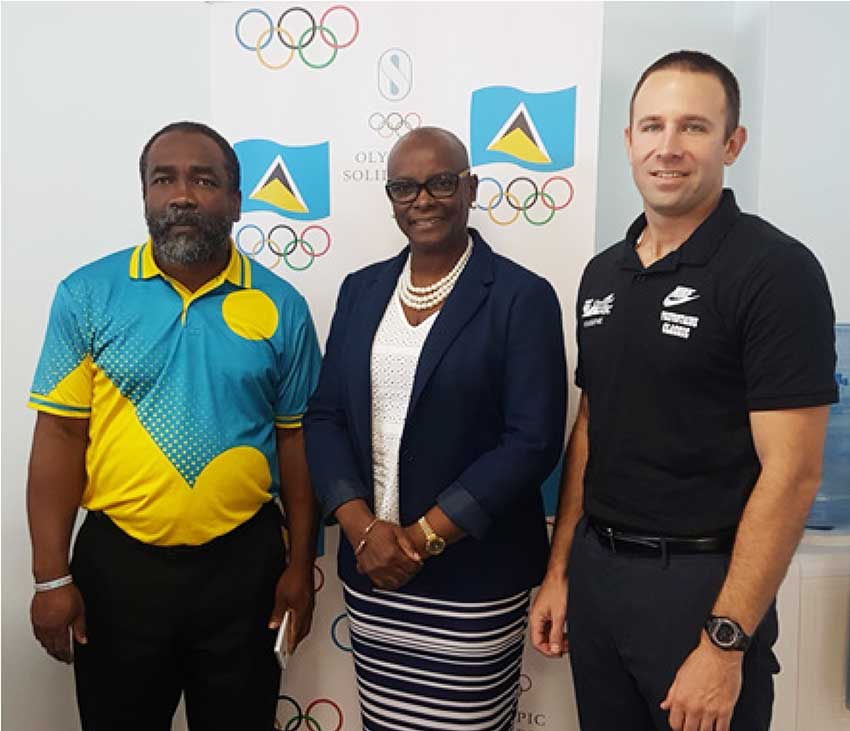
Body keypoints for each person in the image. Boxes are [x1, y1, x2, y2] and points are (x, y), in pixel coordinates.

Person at [530, 50, 837, 731]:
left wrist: (724, 642)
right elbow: (593, 425)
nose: (667, 147)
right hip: (599, 577)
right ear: (629, 140)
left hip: (703, 588)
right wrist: (561, 571)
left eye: (693, 127)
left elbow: (793, 473)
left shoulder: (775, 271)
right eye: (652, 126)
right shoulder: (603, 273)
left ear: (732, 143)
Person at [26, 121, 321, 731]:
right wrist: (51, 577)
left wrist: (300, 567)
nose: (182, 195)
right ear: (145, 196)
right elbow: (59, 435)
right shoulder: (87, 295)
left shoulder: (282, 306)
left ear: (236, 202)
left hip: (245, 569)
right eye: (164, 180)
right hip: (118, 569)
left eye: (203, 181)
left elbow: (295, 439)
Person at [303, 126, 567, 731]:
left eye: (440, 183)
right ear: (391, 198)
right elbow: (325, 416)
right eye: (405, 188)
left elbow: (532, 440)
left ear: (470, 188)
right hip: (373, 574)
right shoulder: (361, 290)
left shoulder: (521, 297)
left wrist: (420, 539)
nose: (422, 200)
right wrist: (363, 531)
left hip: (474, 579)